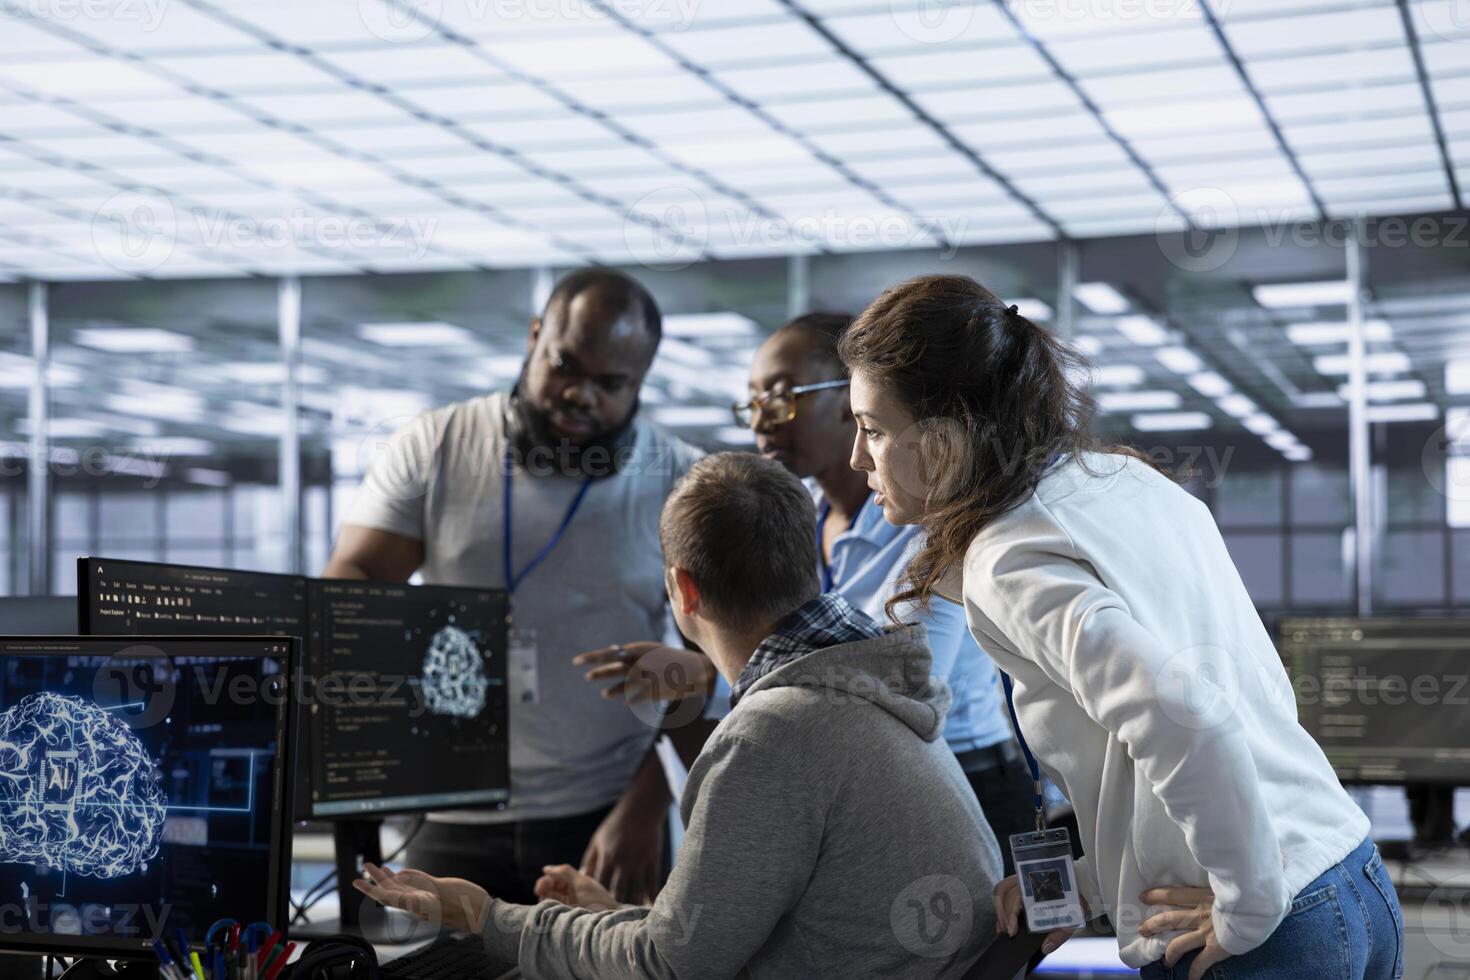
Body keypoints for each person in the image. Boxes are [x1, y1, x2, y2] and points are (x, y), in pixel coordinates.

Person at [838, 273, 1404, 980]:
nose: (860, 457)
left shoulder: (1009, 558)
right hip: (1350, 877)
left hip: (1261, 928)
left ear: (946, 439)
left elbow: (1187, 714)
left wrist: (1249, 909)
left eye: (874, 429)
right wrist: (1090, 880)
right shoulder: (1118, 482)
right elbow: (1173, 729)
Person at [354, 453, 1004, 979]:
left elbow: (669, 968)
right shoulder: (869, 686)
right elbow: (701, 945)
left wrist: (482, 914)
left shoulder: (772, 735)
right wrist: (617, 919)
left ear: (683, 591)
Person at [578, 312, 1036, 871]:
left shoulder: (928, 525)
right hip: (859, 775)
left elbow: (898, 682)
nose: (761, 423)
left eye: (779, 397)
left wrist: (708, 671)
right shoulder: (800, 520)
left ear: (856, 397)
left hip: (959, 779)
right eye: (752, 403)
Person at [325, 268, 701, 905]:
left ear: (642, 381)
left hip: (608, 812)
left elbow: (718, 666)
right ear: (534, 337)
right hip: (450, 808)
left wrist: (645, 808)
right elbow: (351, 584)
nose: (581, 395)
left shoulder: (679, 481)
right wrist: (412, 638)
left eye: (611, 384)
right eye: (565, 366)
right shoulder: (437, 446)